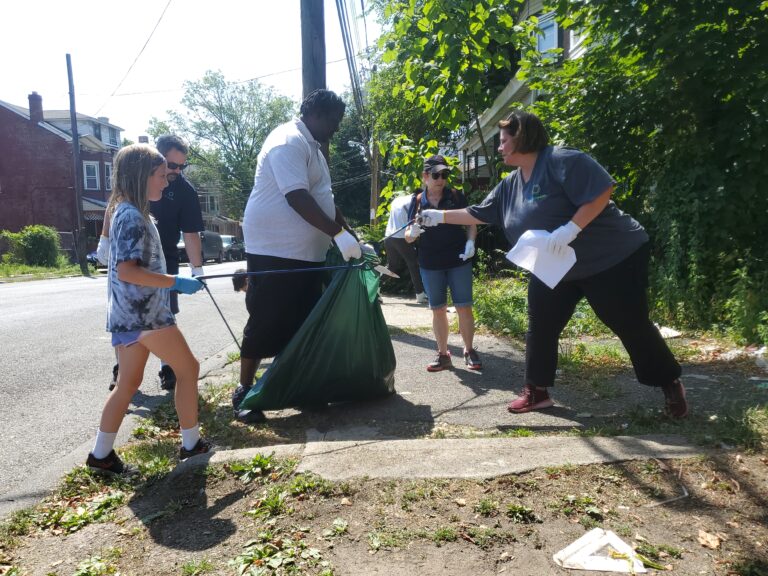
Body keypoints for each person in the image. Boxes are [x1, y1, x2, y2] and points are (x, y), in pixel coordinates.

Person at [418, 110, 687, 418]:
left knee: (629, 323)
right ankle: (537, 391)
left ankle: (669, 382)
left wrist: (571, 229)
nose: (500, 148)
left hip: (609, 258)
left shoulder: (562, 161)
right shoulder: (511, 184)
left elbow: (602, 190)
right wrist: (438, 216)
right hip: (556, 266)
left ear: (522, 139)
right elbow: (479, 213)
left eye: (504, 141)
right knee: (541, 323)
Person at [232, 89, 361, 422]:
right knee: (266, 319)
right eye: (334, 120)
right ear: (316, 113)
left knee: (304, 321)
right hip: (275, 249)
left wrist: (349, 234)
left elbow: (325, 199)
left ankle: (297, 386)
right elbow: (298, 198)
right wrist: (337, 235)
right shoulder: (288, 141)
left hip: (306, 255)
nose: (336, 127)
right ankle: (245, 391)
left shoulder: (313, 148)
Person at [86, 144, 209, 474]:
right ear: (141, 177)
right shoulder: (131, 216)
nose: (166, 183)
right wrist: (174, 282)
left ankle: (100, 456)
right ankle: (192, 444)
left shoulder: (129, 212)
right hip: (145, 315)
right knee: (189, 369)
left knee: (128, 383)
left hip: (129, 316)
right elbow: (127, 271)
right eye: (160, 176)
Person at [96, 135, 205, 392]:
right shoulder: (130, 205)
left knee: (165, 314)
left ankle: (167, 368)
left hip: (162, 261)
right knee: (174, 367)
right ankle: (122, 368)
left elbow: (191, 232)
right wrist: (104, 238)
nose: (175, 173)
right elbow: (126, 270)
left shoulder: (184, 191)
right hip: (133, 272)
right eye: (170, 167)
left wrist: (196, 269)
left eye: (181, 167)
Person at [404, 154, 482, 372]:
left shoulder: (456, 196)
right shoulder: (417, 201)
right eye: (436, 175)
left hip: (458, 260)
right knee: (438, 309)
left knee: (464, 306)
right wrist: (413, 232)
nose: (441, 179)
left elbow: (471, 222)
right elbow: (407, 235)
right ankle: (443, 354)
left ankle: (469, 350)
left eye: (444, 175)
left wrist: (470, 243)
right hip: (430, 263)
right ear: (425, 176)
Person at [384, 192, 428, 304]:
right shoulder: (414, 201)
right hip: (401, 237)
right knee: (413, 264)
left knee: (392, 266)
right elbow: (417, 218)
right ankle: (420, 295)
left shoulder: (397, 200)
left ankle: (374, 290)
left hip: (389, 236)